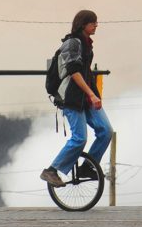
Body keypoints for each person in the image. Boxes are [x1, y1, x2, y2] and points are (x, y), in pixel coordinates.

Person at [40, 10, 113, 187]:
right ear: (83, 24)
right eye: (93, 22)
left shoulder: (87, 44)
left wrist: (94, 95)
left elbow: (87, 73)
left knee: (106, 131)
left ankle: (88, 167)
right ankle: (51, 170)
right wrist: (92, 94)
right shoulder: (73, 43)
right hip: (71, 98)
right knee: (79, 138)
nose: (96, 25)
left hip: (86, 98)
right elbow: (74, 73)